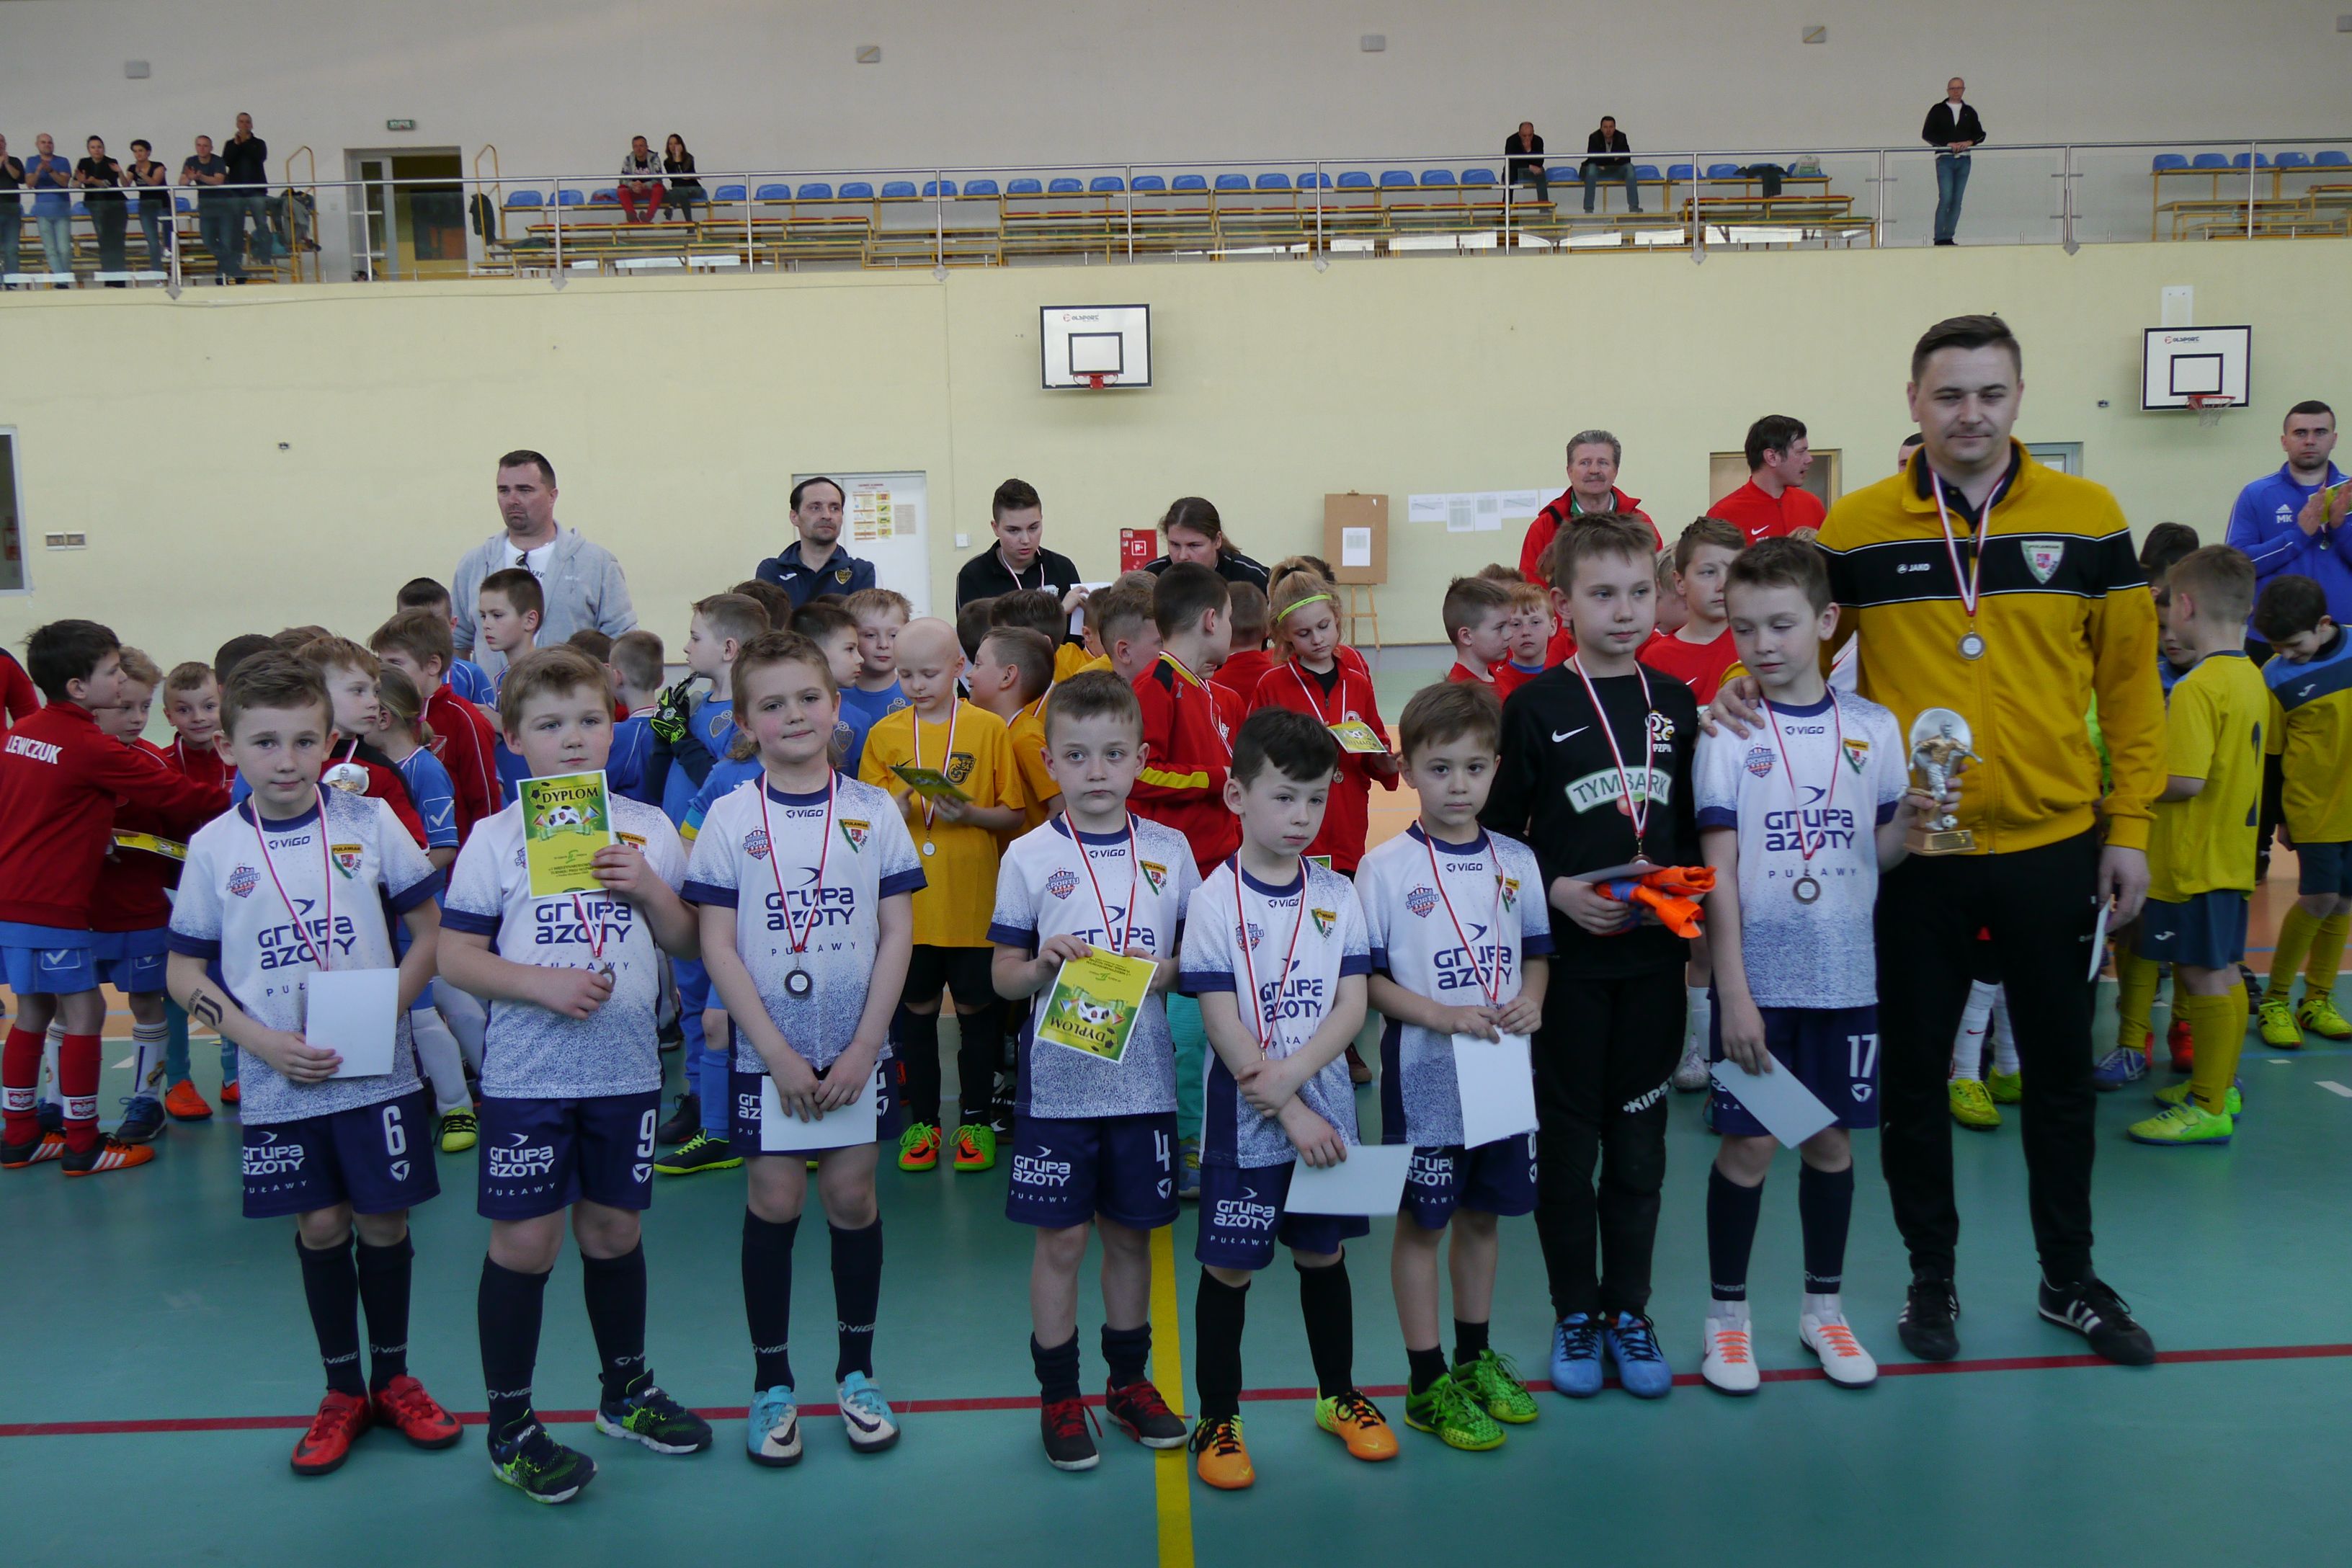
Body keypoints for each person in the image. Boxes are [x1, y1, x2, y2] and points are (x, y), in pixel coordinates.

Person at [1711, 313, 2161, 1366]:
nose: (1971, 414)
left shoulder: (2090, 518)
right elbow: (1793, 627)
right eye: (1949, 395)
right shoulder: (1860, 525)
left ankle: (2069, 1279)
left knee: (2059, 1076)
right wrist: (1738, 678)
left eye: (1991, 393)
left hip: (2054, 842)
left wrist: (2131, 825)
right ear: (1914, 402)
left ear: (2019, 398)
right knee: (1913, 1079)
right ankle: (1932, 1277)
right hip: (1917, 853)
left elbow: (2130, 685)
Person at [165, 652, 460, 1474]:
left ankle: (394, 1379)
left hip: (376, 1067)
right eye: (265, 743)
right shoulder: (214, 847)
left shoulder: (370, 822)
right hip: (278, 1073)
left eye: (304, 741)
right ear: (229, 748)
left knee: (385, 1222)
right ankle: (341, 1392)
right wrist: (258, 1043)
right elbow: (183, 973)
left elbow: (430, 932)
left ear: (330, 743)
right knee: (322, 1224)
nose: (287, 760)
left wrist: (388, 1005)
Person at [437, 646, 710, 1502]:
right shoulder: (494, 839)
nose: (572, 739)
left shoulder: (648, 828)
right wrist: (539, 984)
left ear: (614, 726)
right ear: (515, 738)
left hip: (625, 1070)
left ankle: (625, 1391)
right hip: (528, 1075)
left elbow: (688, 941)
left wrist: (652, 891)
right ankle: (511, 1427)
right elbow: (454, 957)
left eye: (589, 720)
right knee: (526, 1244)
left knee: (615, 1234)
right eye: (550, 725)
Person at [686, 630, 921, 1468]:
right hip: (770, 1053)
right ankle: (772, 1384)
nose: (794, 715)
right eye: (772, 703)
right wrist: (777, 1055)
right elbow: (717, 945)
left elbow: (898, 932)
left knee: (852, 1198)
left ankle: (857, 1373)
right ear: (744, 721)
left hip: (856, 1048)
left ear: (836, 704)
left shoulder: (874, 811)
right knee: (776, 1198)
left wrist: (866, 1045)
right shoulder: (728, 817)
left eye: (808, 698)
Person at [1693, 538, 1921, 1395]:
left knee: (1828, 1142)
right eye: (1745, 627)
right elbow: (1718, 873)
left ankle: (1823, 1309)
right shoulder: (1729, 731)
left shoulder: (1874, 729)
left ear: (1826, 622)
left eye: (1782, 624)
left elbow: (1879, 852)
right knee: (1751, 1145)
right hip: (1760, 987)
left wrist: (1915, 827)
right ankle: (1726, 1321)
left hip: (1847, 979)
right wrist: (1734, 994)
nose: (1763, 644)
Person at [1482, 515, 1699, 1402]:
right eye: (1603, 594)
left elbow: (1694, 833)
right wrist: (1556, 891)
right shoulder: (1534, 707)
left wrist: (1690, 930)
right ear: (1562, 603)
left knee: (1640, 1150)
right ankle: (1576, 1308)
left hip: (1653, 970)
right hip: (1567, 973)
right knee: (1569, 1152)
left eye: (1641, 592)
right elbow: (1497, 840)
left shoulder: (1677, 702)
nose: (1625, 610)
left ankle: (1629, 1311)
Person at [986, 672, 1195, 1470]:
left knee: (1131, 1238)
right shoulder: (1029, 856)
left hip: (1143, 1084)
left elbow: (1196, 965)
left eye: (1113, 753)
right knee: (1063, 1242)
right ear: (1050, 762)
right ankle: (1059, 1394)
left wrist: (1160, 970)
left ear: (1141, 758)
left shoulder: (1170, 851)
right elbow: (1003, 978)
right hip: (1059, 1087)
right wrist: (1041, 965)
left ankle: (1128, 1383)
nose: (1097, 770)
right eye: (1076, 755)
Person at [1180, 707, 1389, 1490]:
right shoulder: (1212, 899)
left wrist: (1298, 1083)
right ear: (1237, 796)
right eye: (1283, 797)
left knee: (1323, 1255)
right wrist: (1287, 1108)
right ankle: (1217, 1416)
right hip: (1248, 1121)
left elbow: (1352, 1005)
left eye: (1315, 798)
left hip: (1324, 1114)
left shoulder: (1337, 893)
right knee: (1230, 1269)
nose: (1302, 816)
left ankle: (1338, 1396)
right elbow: (1220, 1019)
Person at [1358, 681, 1551, 1451]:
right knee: (1424, 1223)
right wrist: (1438, 1015)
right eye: (1440, 769)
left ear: (1495, 768)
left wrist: (1532, 1000)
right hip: (1426, 1076)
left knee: (1482, 1216)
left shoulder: (1517, 859)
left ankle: (1474, 1360)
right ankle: (1425, 1379)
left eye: (1474, 768)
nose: (1458, 785)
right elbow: (1368, 983)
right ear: (1407, 770)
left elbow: (1536, 954)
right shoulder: (1383, 868)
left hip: (1501, 1069)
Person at [0, 620, 233, 1175]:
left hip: (13, 902)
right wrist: (255, 797)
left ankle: (20, 1134)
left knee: (33, 1012)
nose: (121, 681)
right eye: (112, 673)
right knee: (86, 1011)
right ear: (79, 687)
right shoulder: (88, 744)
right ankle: (83, 1144)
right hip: (54, 905)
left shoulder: (20, 732)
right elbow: (180, 796)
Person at [2108, 547, 2265, 1146]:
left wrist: (2120, 796)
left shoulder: (2199, 686)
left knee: (2201, 977)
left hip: (2194, 859)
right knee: (2223, 972)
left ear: (2187, 606)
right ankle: (2218, 1086)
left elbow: (2186, 781)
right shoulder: (2250, 675)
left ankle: (2207, 1106)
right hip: (2230, 854)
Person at [859, 618, 1025, 1174]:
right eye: (904, 674)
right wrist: (896, 806)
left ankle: (975, 1120)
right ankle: (924, 1126)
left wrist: (970, 813)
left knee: (977, 1013)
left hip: (972, 901)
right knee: (917, 1014)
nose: (916, 685)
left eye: (928, 673)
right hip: (909, 909)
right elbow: (864, 824)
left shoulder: (987, 728)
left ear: (958, 667)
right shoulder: (884, 735)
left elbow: (1014, 814)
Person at [85, 649, 205, 1145]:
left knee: (147, 1002)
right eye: (125, 707)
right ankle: (58, 1106)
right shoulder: (70, 760)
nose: (137, 718)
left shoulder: (151, 763)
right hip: (77, 912)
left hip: (140, 910)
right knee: (68, 1007)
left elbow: (184, 818)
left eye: (144, 707)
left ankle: (146, 1101)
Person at [2251, 574, 2352, 1049]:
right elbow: (2271, 759)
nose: (2287, 654)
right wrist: (2279, 819)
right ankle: (2274, 1000)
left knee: (2344, 901)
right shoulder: (2273, 676)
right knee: (2319, 897)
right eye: (2277, 647)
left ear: (2324, 624)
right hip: (2311, 807)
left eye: (2294, 644)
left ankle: (2317, 1001)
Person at [1252, 566, 1398, 874]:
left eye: (1324, 626)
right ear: (1285, 635)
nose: (1318, 639)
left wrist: (1385, 763)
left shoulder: (1357, 683)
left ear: (1336, 617)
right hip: (1295, 828)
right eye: (1304, 634)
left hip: (1348, 828)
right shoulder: (1272, 685)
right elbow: (1253, 756)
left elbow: (1375, 746)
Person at [452, 451, 637, 675]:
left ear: (552, 496)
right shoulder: (475, 564)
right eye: (504, 490)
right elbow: (458, 643)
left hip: (570, 694)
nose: (512, 500)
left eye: (524, 490)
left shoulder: (596, 564)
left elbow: (625, 644)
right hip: (492, 697)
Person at [369, 610, 504, 843]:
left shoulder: (465, 719)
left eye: (395, 663)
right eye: (381, 663)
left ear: (433, 665)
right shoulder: (381, 716)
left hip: (455, 855)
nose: (384, 673)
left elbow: (486, 801)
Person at [2226, 401, 2351, 646]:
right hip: (2272, 640)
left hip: (2344, 637)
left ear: (2334, 439)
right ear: (2285, 441)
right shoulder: (2256, 494)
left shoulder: (2349, 492)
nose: (2310, 441)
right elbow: (2236, 568)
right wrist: (2298, 536)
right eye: (2300, 433)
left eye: (2320, 432)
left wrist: (2341, 529)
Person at [1518, 429, 1660, 592]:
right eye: (1585, 463)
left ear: (1615, 472)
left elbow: (1656, 586)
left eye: (1603, 463)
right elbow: (1532, 596)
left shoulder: (1641, 523)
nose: (1594, 470)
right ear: (1570, 472)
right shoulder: (1543, 528)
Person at [1639, 517, 1743, 705]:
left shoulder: (1754, 641)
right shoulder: (1657, 658)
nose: (1723, 585)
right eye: (1709, 572)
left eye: (1733, 572)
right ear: (1680, 583)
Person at [957, 478, 1084, 610]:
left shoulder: (1063, 568)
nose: (1025, 540)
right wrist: (1061, 611)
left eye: (1033, 528)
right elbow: (973, 624)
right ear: (996, 528)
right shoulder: (973, 575)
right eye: (1013, 530)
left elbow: (1081, 622)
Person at [755, 477, 879, 606]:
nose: (827, 515)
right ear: (794, 517)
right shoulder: (772, 570)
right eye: (815, 508)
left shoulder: (861, 572)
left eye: (834, 508)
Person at [1709, 416, 1827, 545]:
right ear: (1772, 457)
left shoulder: (1812, 504)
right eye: (1801, 452)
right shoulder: (1724, 514)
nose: (1809, 459)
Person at [1143, 496, 1270, 592]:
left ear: (1217, 540)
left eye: (1194, 546)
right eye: (1175, 545)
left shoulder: (1253, 578)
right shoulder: (1153, 577)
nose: (1182, 556)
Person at [1923, 79, 1983, 246]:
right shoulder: (1938, 110)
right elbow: (1927, 134)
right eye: (1953, 88)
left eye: (1959, 88)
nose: (1956, 91)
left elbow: (1980, 134)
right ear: (1948, 90)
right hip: (1945, 158)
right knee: (1946, 197)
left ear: (1964, 90)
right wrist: (1947, 144)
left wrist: (1969, 142)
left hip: (1964, 159)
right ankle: (1939, 237)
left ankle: (1948, 236)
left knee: (1957, 200)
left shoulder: (1969, 111)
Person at [74, 135, 135, 288]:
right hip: (96, 206)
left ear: (103, 148)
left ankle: (119, 281)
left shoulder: (111, 161)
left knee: (116, 243)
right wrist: (81, 181)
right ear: (89, 149)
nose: (96, 150)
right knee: (104, 243)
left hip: (115, 207)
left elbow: (108, 184)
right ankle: (109, 280)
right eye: (93, 147)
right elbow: (74, 184)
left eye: (99, 147)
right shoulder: (84, 163)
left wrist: (93, 181)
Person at [179, 134, 236, 282]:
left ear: (211, 148)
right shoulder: (191, 161)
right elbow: (182, 182)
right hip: (206, 207)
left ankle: (222, 276)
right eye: (199, 145)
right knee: (208, 241)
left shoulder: (217, 161)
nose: (202, 148)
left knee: (226, 242)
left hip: (225, 206)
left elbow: (218, 181)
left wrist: (200, 177)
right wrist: (190, 177)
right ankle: (235, 269)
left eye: (205, 145)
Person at [222, 111, 272, 272]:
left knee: (262, 225)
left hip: (256, 191)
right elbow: (227, 161)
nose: (244, 124)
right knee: (237, 226)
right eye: (242, 121)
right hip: (236, 191)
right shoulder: (231, 144)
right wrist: (238, 145)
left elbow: (259, 157)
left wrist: (245, 143)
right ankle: (237, 259)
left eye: (247, 122)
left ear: (251, 125)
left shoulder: (259, 143)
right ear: (237, 124)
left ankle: (265, 258)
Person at [1443, 576, 1515, 685]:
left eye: (1509, 624)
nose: (1510, 634)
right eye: (1500, 627)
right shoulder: (1458, 693)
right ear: (1467, 636)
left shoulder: (1506, 681)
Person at [24, 133, 73, 284]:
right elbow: (30, 184)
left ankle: (63, 279)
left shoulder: (62, 161)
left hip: (62, 210)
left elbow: (64, 182)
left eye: (50, 142)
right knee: (50, 249)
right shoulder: (32, 161)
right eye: (44, 142)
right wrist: (39, 171)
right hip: (42, 211)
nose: (47, 145)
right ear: (37, 145)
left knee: (64, 249)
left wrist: (50, 170)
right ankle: (62, 281)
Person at [125, 138, 171, 272]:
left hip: (162, 203)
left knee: (168, 228)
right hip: (145, 205)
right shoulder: (132, 168)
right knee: (152, 241)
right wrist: (120, 173)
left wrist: (141, 174)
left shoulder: (158, 166)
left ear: (148, 152)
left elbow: (155, 183)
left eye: (141, 150)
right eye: (135, 151)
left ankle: (168, 249)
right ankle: (157, 272)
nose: (138, 154)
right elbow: (126, 184)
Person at [1581, 116, 1639, 214]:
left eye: (1611, 127)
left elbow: (1626, 158)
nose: (1608, 130)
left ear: (1615, 128)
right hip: (1600, 171)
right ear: (1601, 128)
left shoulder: (1621, 137)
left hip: (1616, 170)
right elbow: (1592, 159)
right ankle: (1588, 208)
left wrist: (1605, 162)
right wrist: (1614, 159)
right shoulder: (1594, 137)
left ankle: (1634, 207)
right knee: (1591, 169)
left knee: (1630, 167)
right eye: (1605, 127)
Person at [617, 135, 664, 224]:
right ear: (633, 148)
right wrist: (633, 185)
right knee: (621, 189)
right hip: (635, 190)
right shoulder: (628, 159)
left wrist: (644, 185)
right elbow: (622, 180)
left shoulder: (654, 159)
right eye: (636, 146)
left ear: (647, 147)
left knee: (659, 188)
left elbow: (658, 179)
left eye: (641, 146)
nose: (638, 149)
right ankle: (633, 218)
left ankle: (647, 217)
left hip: (650, 190)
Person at [658, 134, 703, 222]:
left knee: (680, 190)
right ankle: (689, 224)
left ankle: (671, 207)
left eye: (676, 143)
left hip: (693, 188)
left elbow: (684, 175)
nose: (673, 146)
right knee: (682, 196)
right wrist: (683, 176)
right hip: (679, 190)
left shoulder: (689, 158)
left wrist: (678, 157)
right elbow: (675, 179)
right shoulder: (667, 162)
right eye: (670, 144)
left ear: (681, 145)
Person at [1505, 120, 1549, 206]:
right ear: (1519, 134)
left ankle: (1544, 207)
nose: (1527, 138)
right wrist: (1529, 166)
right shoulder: (1511, 141)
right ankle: (1506, 207)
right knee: (1509, 175)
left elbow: (1540, 162)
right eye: (1524, 136)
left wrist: (1529, 151)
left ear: (1533, 133)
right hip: (1515, 170)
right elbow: (1511, 161)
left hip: (1531, 172)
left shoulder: (1538, 141)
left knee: (1541, 174)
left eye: (1530, 135)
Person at [0, 135, 23, 285]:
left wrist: (7, 163)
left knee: (12, 249)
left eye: (2, 141)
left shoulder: (14, 161)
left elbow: (19, 178)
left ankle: (12, 283)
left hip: (12, 211)